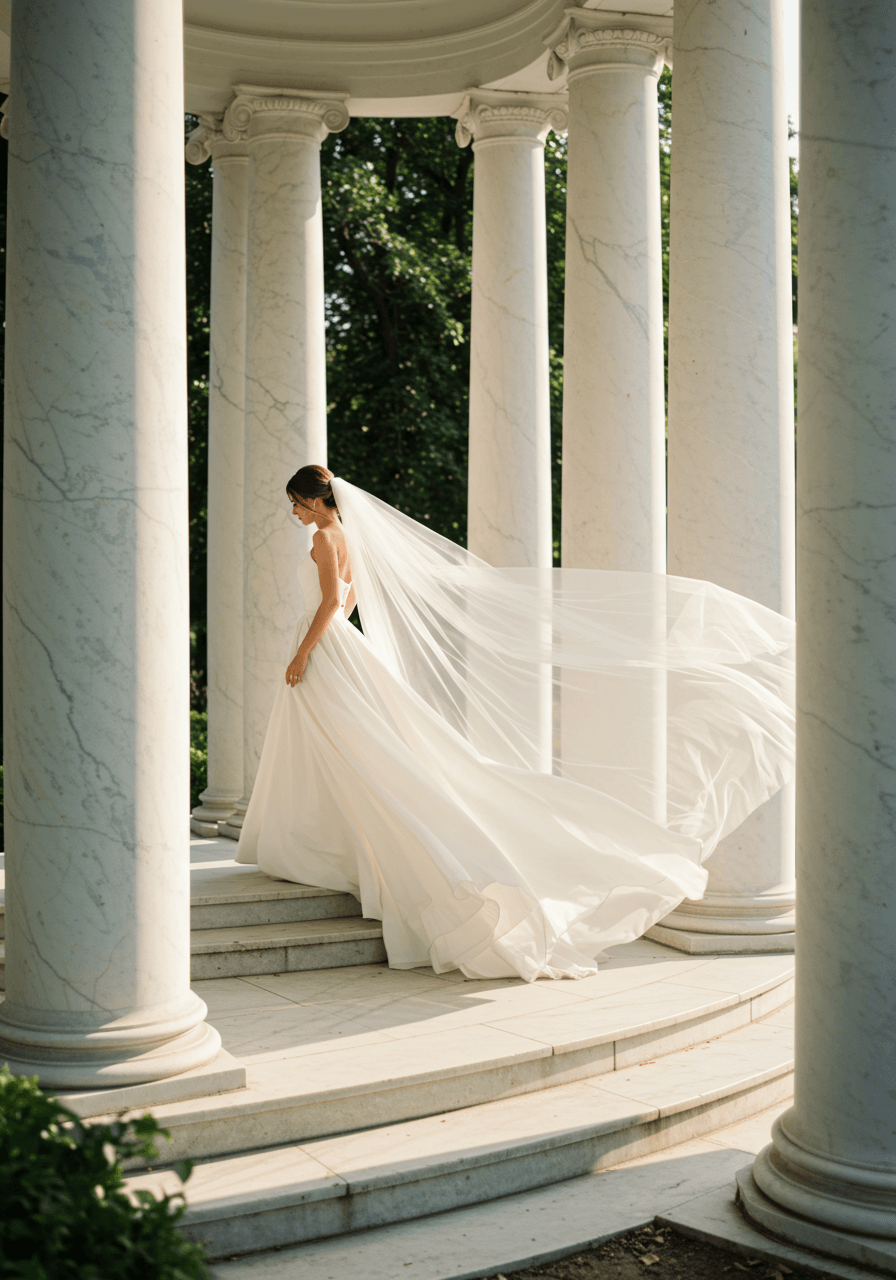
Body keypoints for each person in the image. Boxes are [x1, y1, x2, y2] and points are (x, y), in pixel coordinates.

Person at [236, 465, 795, 982]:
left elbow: (333, 600)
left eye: (297, 504)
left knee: (355, 749)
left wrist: (304, 652)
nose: (296, 515)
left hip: (327, 648)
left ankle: (321, 841)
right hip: (341, 647)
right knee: (353, 746)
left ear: (314, 499)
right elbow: (350, 600)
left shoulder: (324, 539)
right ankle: (329, 839)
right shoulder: (352, 537)